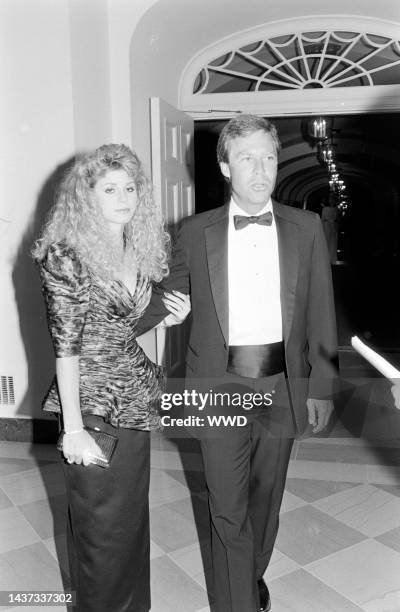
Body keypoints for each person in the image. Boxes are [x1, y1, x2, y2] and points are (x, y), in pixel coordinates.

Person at [137, 114, 338, 612]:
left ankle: (249, 577)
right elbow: (163, 300)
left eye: (269, 157)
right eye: (247, 158)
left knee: (265, 503)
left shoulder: (306, 227)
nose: (261, 169)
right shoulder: (194, 231)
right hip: (217, 384)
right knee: (227, 509)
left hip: (281, 382)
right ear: (226, 166)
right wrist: (121, 312)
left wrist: (322, 387)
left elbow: (320, 311)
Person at [32, 144, 190, 612]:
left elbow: (119, 327)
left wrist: (163, 321)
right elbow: (67, 346)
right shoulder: (67, 255)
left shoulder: (131, 245)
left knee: (129, 527)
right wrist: (73, 429)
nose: (123, 198)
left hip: (134, 400)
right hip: (93, 408)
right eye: (110, 189)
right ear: (88, 196)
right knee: (101, 535)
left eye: (130, 187)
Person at [321, 192, 339, 264]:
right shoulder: (325, 209)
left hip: (331, 226)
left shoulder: (335, 209)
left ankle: (330, 258)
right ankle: (327, 258)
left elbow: (337, 219)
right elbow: (323, 219)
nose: (331, 200)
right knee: (328, 241)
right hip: (328, 226)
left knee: (332, 242)